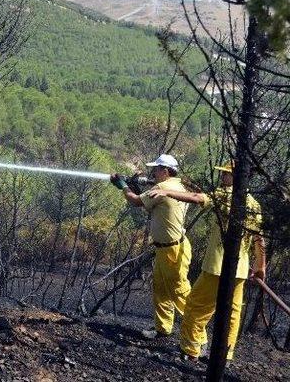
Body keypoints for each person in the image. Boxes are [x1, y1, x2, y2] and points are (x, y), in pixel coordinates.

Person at [147, 161, 266, 362]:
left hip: (216, 267)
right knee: (232, 315)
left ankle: (190, 351)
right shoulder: (253, 203)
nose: (222, 178)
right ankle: (224, 357)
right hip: (240, 271)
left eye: (225, 174)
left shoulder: (224, 196)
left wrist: (167, 193)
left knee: (194, 306)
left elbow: (196, 198)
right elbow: (258, 237)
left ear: (235, 177)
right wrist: (260, 266)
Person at [110, 154, 192, 339]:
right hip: (169, 248)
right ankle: (163, 329)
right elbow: (152, 205)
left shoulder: (163, 187)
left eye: (156, 169)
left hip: (172, 250)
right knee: (161, 289)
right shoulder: (178, 187)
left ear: (165, 171)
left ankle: (198, 337)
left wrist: (122, 185)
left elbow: (136, 201)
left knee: (180, 292)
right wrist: (135, 187)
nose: (153, 172)